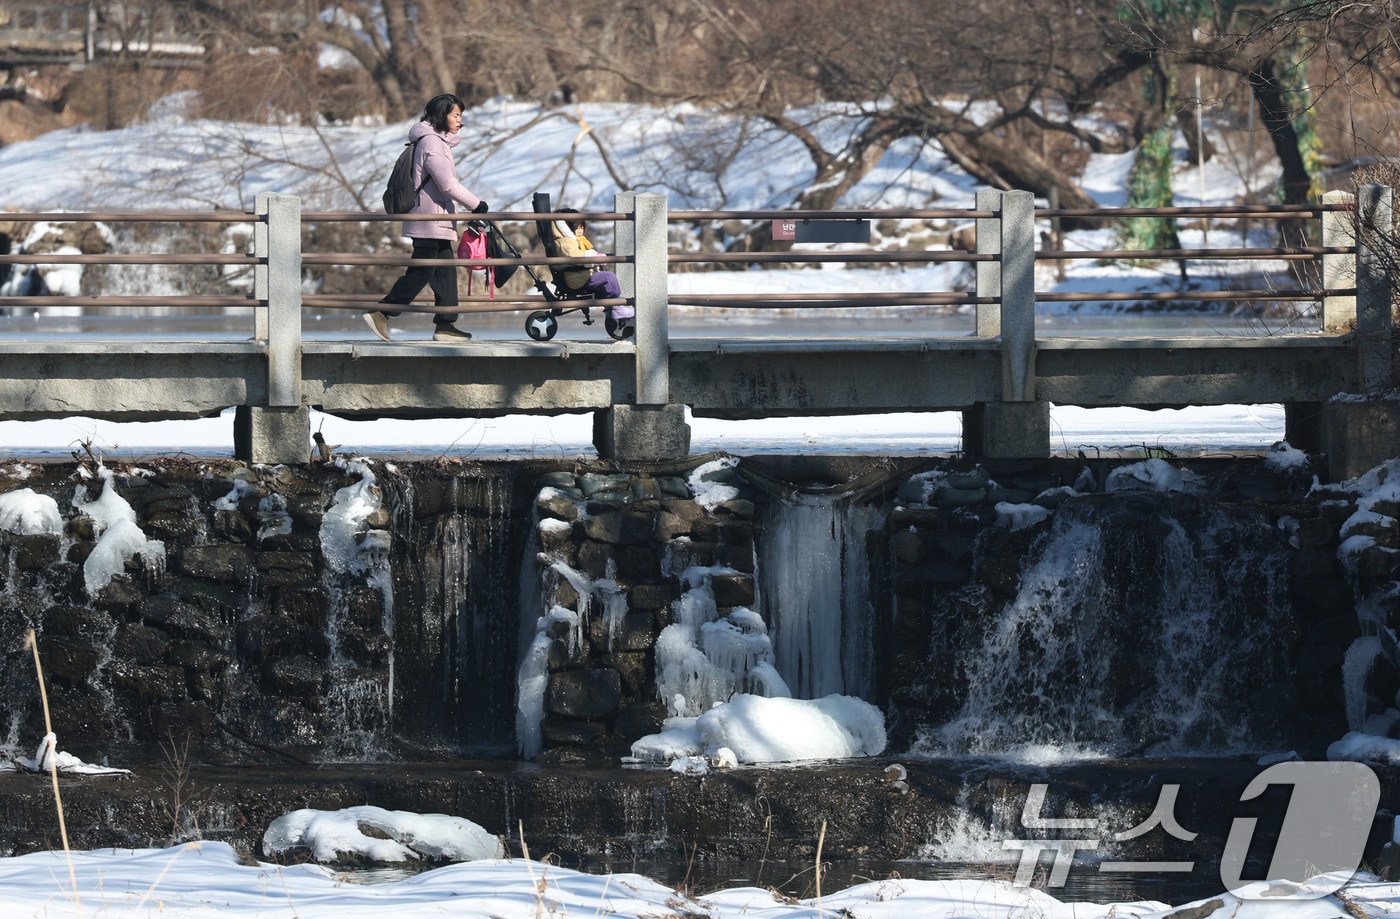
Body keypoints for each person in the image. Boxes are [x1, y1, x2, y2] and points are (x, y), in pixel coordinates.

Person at [367, 93, 488, 343]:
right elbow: (447, 185)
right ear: (441, 114)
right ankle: (382, 312)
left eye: (460, 115)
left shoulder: (436, 142)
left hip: (437, 219)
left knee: (445, 273)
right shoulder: (432, 143)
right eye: (455, 115)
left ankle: (445, 325)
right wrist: (477, 204)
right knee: (422, 271)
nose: (460, 120)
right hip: (429, 220)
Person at [552, 209, 634, 319]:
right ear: (567, 228)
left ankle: (614, 306)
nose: (580, 230)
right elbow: (575, 257)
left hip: (581, 276)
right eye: (577, 227)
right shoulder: (566, 242)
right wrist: (594, 258)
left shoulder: (575, 240)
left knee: (606, 278)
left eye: (582, 227)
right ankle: (617, 307)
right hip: (578, 278)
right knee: (609, 278)